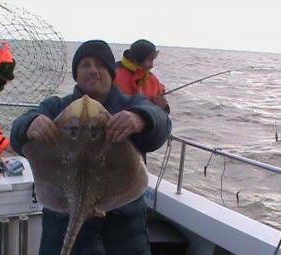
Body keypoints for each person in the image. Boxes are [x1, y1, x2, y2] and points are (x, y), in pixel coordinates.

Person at [10, 39, 172, 255]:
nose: (93, 70)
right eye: (85, 64)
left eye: (100, 65)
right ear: (76, 74)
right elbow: (17, 133)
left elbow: (162, 123)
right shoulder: (56, 107)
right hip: (62, 222)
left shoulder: (131, 106)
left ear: (111, 72)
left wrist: (141, 119)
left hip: (122, 233)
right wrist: (29, 125)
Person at [115, 39, 170, 113]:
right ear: (136, 59)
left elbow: (164, 114)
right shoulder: (113, 74)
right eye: (149, 60)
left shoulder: (152, 79)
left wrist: (164, 107)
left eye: (153, 60)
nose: (152, 65)